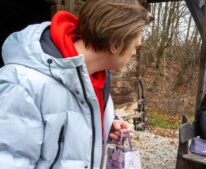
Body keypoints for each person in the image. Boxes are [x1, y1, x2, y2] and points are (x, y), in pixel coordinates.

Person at [0, 0, 151, 168]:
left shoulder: (97, 77)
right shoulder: (22, 85)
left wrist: (104, 125)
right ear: (115, 44)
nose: (135, 52)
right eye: (135, 46)